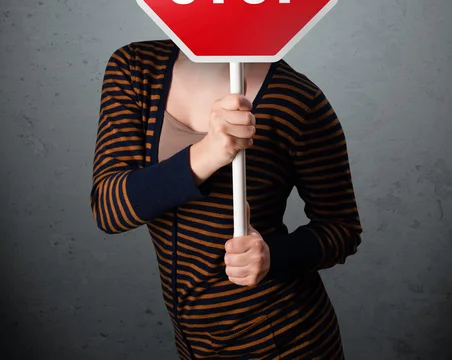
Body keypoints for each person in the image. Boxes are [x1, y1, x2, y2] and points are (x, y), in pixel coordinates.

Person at [90, 38, 363, 360]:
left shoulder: (297, 98)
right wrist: (205, 155)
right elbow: (109, 210)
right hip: (194, 340)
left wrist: (272, 255)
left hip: (282, 341)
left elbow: (342, 227)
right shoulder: (136, 67)